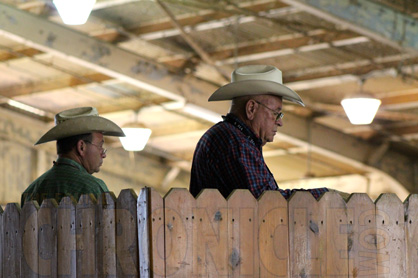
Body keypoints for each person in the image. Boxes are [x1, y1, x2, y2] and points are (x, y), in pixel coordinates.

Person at [189, 65, 328, 200]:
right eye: (276, 113)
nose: (280, 122)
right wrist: (325, 196)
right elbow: (266, 203)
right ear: (251, 109)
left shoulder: (231, 136)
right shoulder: (234, 141)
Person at [21, 107, 125, 207]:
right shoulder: (92, 187)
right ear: (81, 147)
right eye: (100, 146)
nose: (103, 154)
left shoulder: (31, 191)